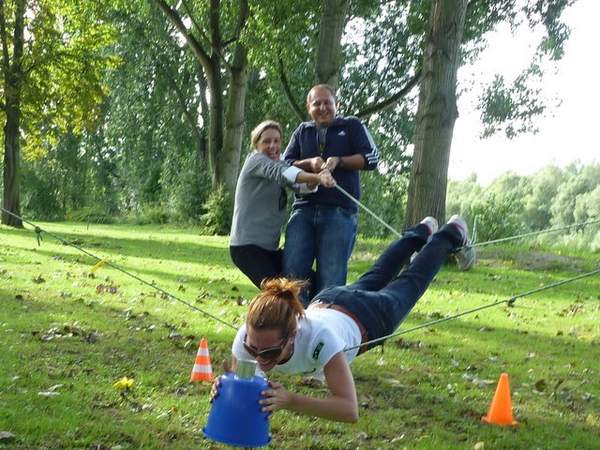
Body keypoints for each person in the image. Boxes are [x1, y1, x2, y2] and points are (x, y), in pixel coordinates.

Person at [222, 215, 476, 423]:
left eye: (268, 353)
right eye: (252, 349)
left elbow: (348, 409)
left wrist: (291, 400)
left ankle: (451, 231)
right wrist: (222, 389)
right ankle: (421, 231)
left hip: (369, 317)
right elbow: (241, 386)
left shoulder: (320, 340)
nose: (257, 358)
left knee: (411, 281)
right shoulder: (248, 336)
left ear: (293, 336)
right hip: (330, 299)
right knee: (378, 273)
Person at [282, 84, 379, 302]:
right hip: (303, 210)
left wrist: (340, 161)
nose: (323, 107)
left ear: (337, 105)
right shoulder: (302, 131)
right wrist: (309, 163)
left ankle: (324, 330)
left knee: (331, 278)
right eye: (317, 103)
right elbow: (284, 166)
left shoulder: (351, 125)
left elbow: (372, 158)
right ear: (309, 107)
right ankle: (295, 330)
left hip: (340, 212)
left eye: (328, 102)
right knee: (292, 275)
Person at [229, 120, 336, 288]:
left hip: (270, 249)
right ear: (256, 145)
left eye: (276, 141)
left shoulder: (280, 163)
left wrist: (316, 180)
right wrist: (316, 177)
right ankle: (270, 315)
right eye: (266, 141)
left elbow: (300, 186)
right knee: (280, 294)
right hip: (247, 248)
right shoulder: (255, 161)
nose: (272, 146)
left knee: (310, 283)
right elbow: (284, 173)